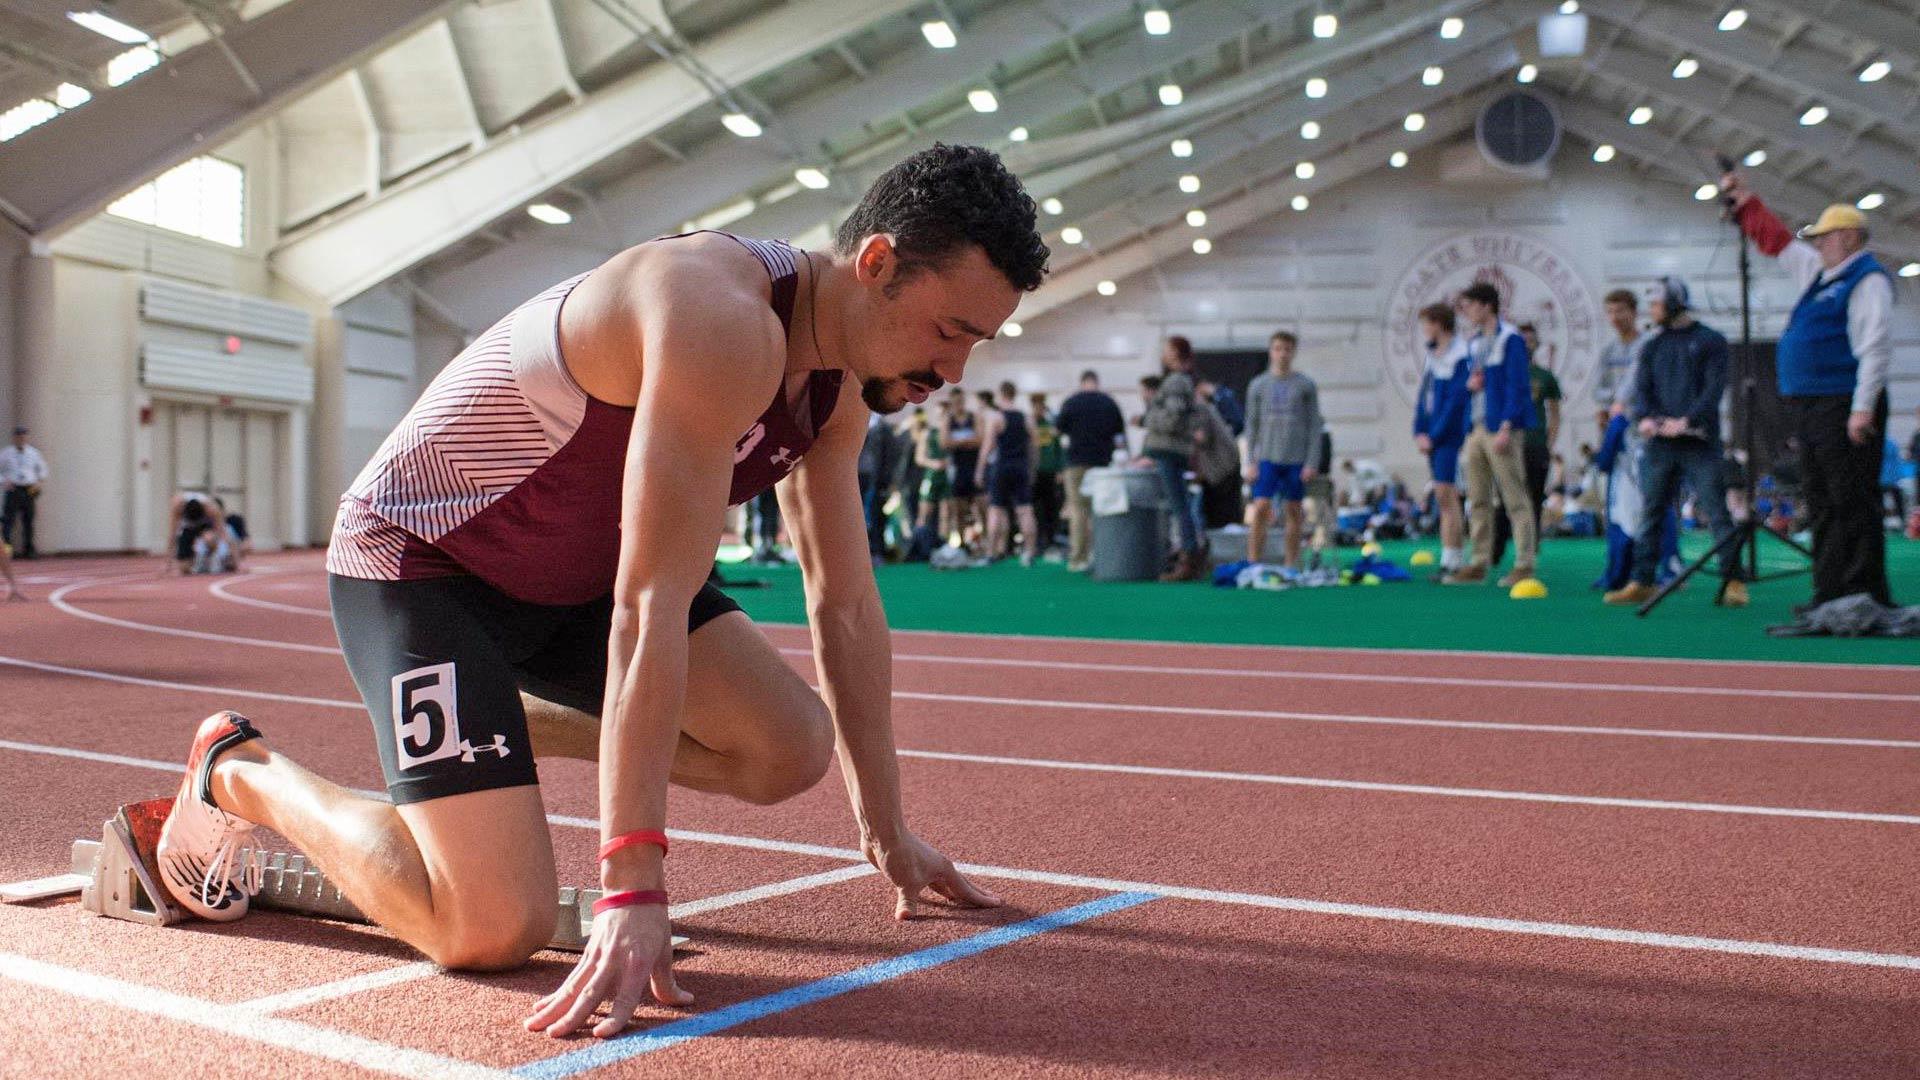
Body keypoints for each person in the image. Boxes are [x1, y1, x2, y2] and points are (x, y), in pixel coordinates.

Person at [153, 144, 1040, 1040]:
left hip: (578, 581)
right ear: (878, 263)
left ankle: (502, 723)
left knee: (787, 747)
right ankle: (239, 770)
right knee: (491, 928)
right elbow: (650, 603)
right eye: (951, 330)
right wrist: (631, 883)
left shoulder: (838, 388)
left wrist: (885, 835)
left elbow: (843, 607)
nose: (955, 369)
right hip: (428, 566)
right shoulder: (718, 315)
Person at [1725, 171, 1896, 610]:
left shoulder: (1867, 280)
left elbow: (1874, 347)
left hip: (1845, 402)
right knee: (1820, 498)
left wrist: (1862, 410)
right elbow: (1780, 244)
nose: (1818, 244)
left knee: (1851, 499)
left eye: (1826, 237)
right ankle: (1830, 592)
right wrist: (1746, 204)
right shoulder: (1823, 277)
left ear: (1850, 238)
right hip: (1815, 405)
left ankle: (1862, 592)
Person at [1603, 276, 1746, 607]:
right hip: (1660, 444)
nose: (1651, 311)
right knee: (1651, 511)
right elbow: (1642, 390)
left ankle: (1733, 580)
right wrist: (1650, 420)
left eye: (1655, 304)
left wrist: (1688, 421)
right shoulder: (1652, 345)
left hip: (1700, 442)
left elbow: (1713, 390)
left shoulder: (1711, 341)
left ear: (1673, 303)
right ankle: (1642, 580)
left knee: (1716, 510)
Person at [1445, 281, 1537, 586]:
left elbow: (1518, 386)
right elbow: (1471, 383)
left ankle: (1524, 562)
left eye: (1470, 305)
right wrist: (1470, 387)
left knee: (1515, 499)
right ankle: (1479, 560)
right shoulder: (1473, 344)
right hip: (1477, 427)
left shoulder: (1510, 339)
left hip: (1501, 429)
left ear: (1486, 305)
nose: (1467, 312)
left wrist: (1508, 426)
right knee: (1478, 499)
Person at [1239, 330, 1324, 569]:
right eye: (1277, 348)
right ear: (1270, 351)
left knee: (1293, 510)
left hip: (1296, 459)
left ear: (1293, 352)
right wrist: (1250, 461)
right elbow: (1251, 425)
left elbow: (1314, 426)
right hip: (1267, 457)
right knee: (1261, 508)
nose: (1282, 354)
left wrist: (1311, 462)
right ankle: (1253, 562)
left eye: (1287, 349)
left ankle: (1290, 563)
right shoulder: (1258, 385)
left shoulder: (1305, 385)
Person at [1492, 323, 1562, 569]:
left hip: (1536, 444)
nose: (1526, 345)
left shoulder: (1545, 377)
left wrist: (1549, 442)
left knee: (1534, 497)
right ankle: (1495, 549)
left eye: (1531, 340)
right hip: (1511, 442)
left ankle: (1530, 549)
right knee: (1503, 498)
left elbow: (1554, 413)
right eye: (1522, 340)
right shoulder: (1504, 374)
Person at [1140, 336, 1206, 581]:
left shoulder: (1176, 381)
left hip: (1169, 450)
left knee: (1180, 507)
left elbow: (1173, 418)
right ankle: (1191, 553)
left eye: (1166, 349)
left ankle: (1188, 558)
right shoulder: (1182, 380)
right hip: (1174, 450)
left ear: (1176, 353)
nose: (1163, 353)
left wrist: (1146, 419)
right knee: (1182, 505)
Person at [1413, 303, 1471, 579]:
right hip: (1432, 437)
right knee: (1441, 495)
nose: (1425, 329)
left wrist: (1434, 435)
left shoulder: (1460, 355)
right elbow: (1424, 398)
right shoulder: (1432, 356)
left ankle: (1453, 559)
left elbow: (1455, 402)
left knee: (1447, 496)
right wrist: (1418, 430)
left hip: (1447, 437)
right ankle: (1448, 555)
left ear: (1439, 323)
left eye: (1427, 323)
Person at [1055, 369, 1125, 572]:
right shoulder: (1109, 402)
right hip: (1102, 464)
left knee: (1078, 511)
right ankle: (1101, 555)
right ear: (1096, 381)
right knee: (1100, 510)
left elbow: (1058, 428)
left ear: (1082, 381)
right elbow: (1119, 433)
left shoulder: (1072, 402)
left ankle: (1078, 558)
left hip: (1076, 462)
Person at [975, 382, 1039, 565]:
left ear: (1000, 394)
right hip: (1020, 467)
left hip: (1001, 467)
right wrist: (1032, 468)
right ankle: (1029, 553)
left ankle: (990, 553)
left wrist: (979, 470)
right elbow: (1034, 446)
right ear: (1014, 394)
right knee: (1025, 510)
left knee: (995, 510)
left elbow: (988, 446)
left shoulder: (996, 417)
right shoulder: (1026, 418)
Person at [1594, 289, 1648, 432]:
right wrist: (1607, 406)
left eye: (1620, 311)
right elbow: (1598, 388)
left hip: (1643, 421)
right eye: (1610, 312)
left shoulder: (1648, 345)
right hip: (1616, 421)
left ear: (1634, 312)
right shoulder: (1608, 351)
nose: (1615, 317)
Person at [939, 387, 985, 549]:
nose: (959, 405)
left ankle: (984, 543)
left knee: (980, 505)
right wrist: (967, 440)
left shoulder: (974, 417)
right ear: (952, 403)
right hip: (957, 469)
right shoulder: (947, 419)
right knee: (958, 509)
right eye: (956, 402)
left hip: (974, 467)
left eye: (961, 401)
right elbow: (944, 442)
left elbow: (980, 439)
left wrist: (957, 441)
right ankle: (962, 545)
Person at [0, 426, 47, 559]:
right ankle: (7, 550)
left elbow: (42, 468)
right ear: (14, 438)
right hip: (13, 489)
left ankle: (29, 549)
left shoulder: (34, 453)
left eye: (24, 436)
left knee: (28, 520)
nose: (21, 439)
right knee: (8, 521)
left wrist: (39, 480)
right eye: (19, 436)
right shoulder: (6, 453)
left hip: (28, 489)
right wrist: (3, 481)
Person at [1029, 393, 1064, 556]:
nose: (1039, 409)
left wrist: (1060, 469)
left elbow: (1058, 449)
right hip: (1034, 473)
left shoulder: (1050, 426)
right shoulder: (1029, 425)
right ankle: (1037, 541)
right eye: (1036, 405)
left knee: (1051, 507)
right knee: (1035, 509)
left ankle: (1050, 539)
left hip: (1049, 471)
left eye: (1041, 406)